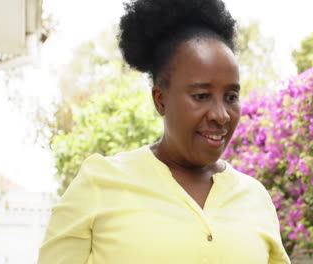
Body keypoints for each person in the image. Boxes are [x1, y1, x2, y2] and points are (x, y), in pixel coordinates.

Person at [38, 0, 291, 263]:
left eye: (231, 96)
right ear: (160, 99)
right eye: (202, 95)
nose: (221, 114)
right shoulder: (100, 183)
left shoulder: (255, 198)